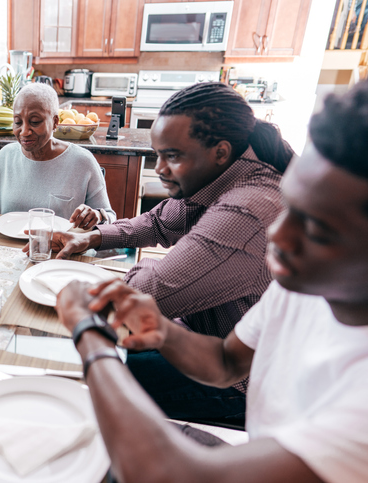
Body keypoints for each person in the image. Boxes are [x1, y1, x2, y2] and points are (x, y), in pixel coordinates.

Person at [54, 81, 368, 483]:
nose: (277, 236)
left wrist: (90, 336)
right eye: (291, 206)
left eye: (320, 230)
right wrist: (163, 331)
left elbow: (171, 472)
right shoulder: (301, 287)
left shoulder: (251, 210)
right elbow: (227, 361)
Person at [47, 82, 295, 420]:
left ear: (220, 152)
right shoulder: (223, 175)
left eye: (173, 156)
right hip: (203, 341)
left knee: (79, 375)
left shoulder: (245, 211)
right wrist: (92, 238)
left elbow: (148, 293)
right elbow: (159, 223)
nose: (160, 169)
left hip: (240, 388)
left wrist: (125, 275)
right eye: (158, 154)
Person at [0, 82, 116, 229]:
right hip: (8, 249)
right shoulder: (5, 156)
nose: (24, 131)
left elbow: (110, 217)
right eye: (18, 122)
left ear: (55, 122)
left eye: (35, 122)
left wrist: (98, 215)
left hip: (61, 250)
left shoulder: (83, 161)